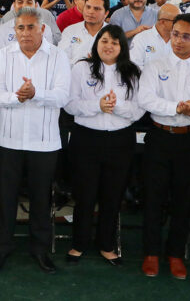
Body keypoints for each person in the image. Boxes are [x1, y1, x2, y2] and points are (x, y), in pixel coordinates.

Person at [0, 6, 71, 274]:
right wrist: (17, 97)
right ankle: (3, 248)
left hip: (44, 143)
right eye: (20, 28)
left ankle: (40, 250)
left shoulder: (58, 56)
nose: (25, 33)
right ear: (14, 31)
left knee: (41, 199)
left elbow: (62, 97)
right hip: (8, 140)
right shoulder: (4, 55)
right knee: (6, 198)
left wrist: (35, 94)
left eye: (30, 27)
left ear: (42, 29)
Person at [138, 13, 190, 280]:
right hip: (159, 138)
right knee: (153, 196)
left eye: (186, 36)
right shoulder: (155, 65)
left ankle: (175, 254)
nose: (179, 41)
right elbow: (146, 100)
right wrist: (177, 107)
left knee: (183, 200)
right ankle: (151, 252)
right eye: (175, 34)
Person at [65, 25, 144, 264]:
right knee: (85, 195)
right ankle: (79, 243)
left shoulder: (133, 72)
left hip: (120, 141)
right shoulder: (81, 68)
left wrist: (115, 107)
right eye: (104, 41)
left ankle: (107, 245)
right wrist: (96, 107)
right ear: (96, 43)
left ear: (122, 47)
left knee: (112, 195)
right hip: (86, 139)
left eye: (115, 42)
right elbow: (70, 104)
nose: (108, 46)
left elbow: (139, 110)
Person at [59, 0, 109, 64]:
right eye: (88, 7)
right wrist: (82, 64)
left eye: (96, 9)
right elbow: (61, 57)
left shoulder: (113, 33)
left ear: (106, 13)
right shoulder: (70, 31)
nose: (91, 11)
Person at [129, 3, 181, 69]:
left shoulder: (182, 40)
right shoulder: (141, 39)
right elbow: (135, 68)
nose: (180, 24)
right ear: (163, 22)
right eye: (176, 21)